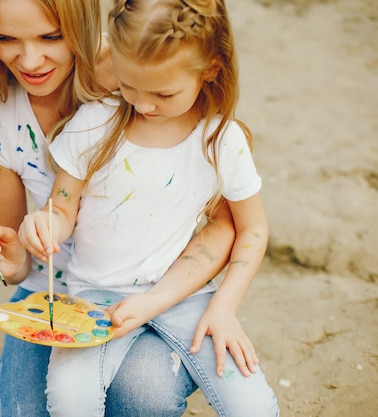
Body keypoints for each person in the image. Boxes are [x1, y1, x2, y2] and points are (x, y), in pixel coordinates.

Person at [0, 0, 251, 415]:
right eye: (6, 38)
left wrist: (217, 301)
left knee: (144, 396)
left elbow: (224, 207)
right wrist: (14, 258)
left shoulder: (132, 69)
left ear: (81, 23)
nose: (31, 60)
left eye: (51, 37)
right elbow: (17, 263)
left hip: (156, 285)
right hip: (55, 290)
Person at [18, 0, 280, 416]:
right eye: (128, 86)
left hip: (187, 295)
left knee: (253, 406)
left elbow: (252, 229)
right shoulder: (94, 123)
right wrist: (45, 224)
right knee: (70, 401)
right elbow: (62, 207)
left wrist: (225, 307)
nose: (143, 105)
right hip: (94, 298)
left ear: (210, 69)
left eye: (164, 93)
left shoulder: (220, 140)